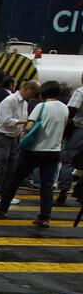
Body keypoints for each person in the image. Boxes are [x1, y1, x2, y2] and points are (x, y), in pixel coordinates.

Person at [0, 80, 69, 227]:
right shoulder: (65, 108)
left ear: (43, 92)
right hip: (54, 152)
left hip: (34, 150)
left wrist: (25, 131)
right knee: (47, 185)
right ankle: (44, 217)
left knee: (15, 179)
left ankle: (1, 209)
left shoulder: (41, 106)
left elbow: (29, 127)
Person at [0, 79, 40, 205]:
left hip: (14, 137)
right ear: (26, 88)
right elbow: (6, 121)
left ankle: (5, 194)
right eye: (32, 93)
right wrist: (25, 121)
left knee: (10, 167)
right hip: (2, 136)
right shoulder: (10, 100)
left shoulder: (24, 102)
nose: (32, 96)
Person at [58, 72, 83, 205]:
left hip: (79, 130)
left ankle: (62, 193)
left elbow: (71, 111)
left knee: (68, 160)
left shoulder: (80, 91)